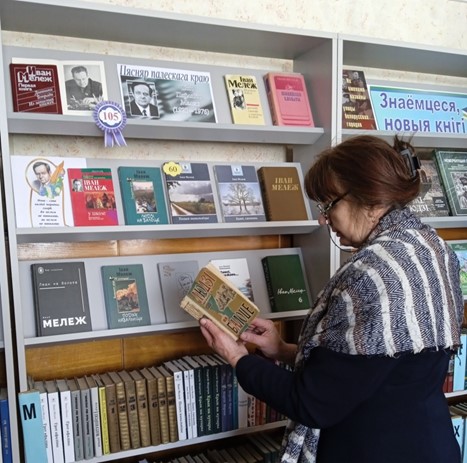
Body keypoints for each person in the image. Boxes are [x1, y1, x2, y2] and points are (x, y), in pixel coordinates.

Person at [200, 135, 464, 463]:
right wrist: (282, 349)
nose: (323, 219)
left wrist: (237, 357)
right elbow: (376, 365)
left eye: (328, 204)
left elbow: (312, 404)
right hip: (432, 445)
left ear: (371, 200)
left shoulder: (371, 274)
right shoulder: (433, 248)